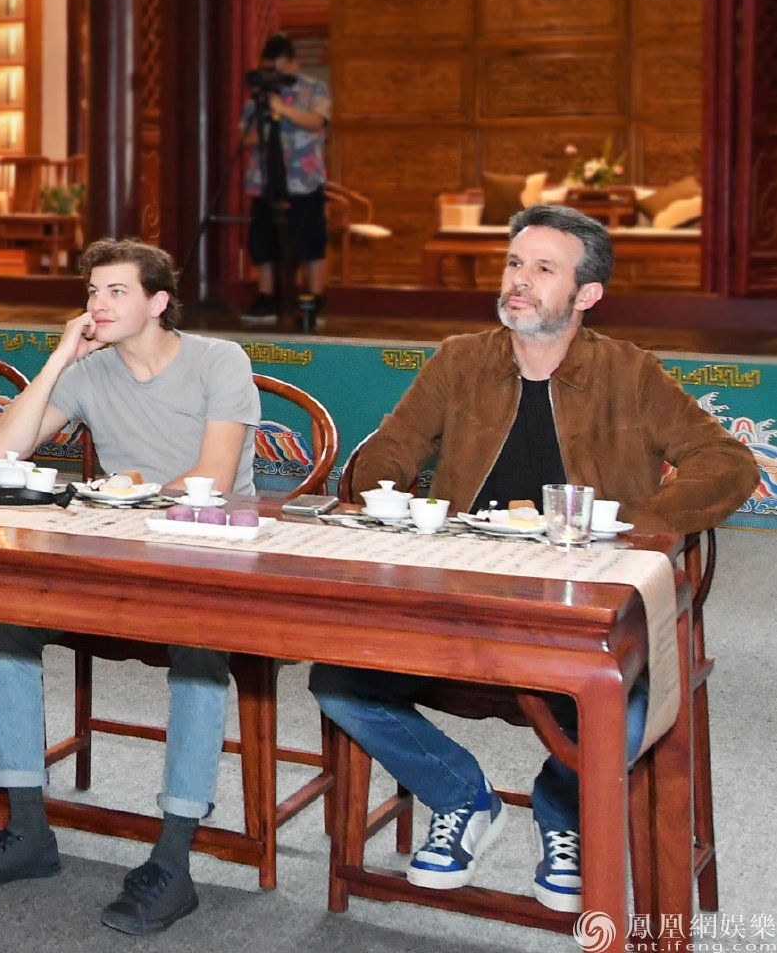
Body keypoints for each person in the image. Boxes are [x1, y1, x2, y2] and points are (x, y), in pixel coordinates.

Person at [310, 204, 759, 913]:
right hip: (465, 591)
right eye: (514, 263)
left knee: (632, 713)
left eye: (543, 269)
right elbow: (388, 453)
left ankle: (562, 814)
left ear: (586, 294)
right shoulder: (460, 359)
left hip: (586, 607)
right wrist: (391, 499)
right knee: (337, 680)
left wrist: (632, 528)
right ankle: (463, 798)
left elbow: (728, 463)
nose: (518, 280)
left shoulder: (629, 372)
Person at [0, 240, 260, 938]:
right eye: (91, 291)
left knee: (200, 650)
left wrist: (123, 498)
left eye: (116, 291)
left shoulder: (218, 360)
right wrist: (60, 358)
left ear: (158, 301)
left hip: (204, 555)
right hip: (113, 558)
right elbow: (3, 452)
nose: (97, 304)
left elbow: (213, 474)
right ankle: (26, 827)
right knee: (7, 619)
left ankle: (172, 857)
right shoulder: (90, 370)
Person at [239, 32, 331, 325]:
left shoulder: (314, 89)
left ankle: (313, 299)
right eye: (269, 69)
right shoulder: (258, 94)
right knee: (263, 241)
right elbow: (245, 137)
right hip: (265, 179)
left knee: (310, 241)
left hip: (304, 179)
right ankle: (266, 298)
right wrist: (265, 124)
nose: (274, 75)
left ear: (293, 63)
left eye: (279, 69)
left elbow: (316, 122)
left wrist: (283, 110)